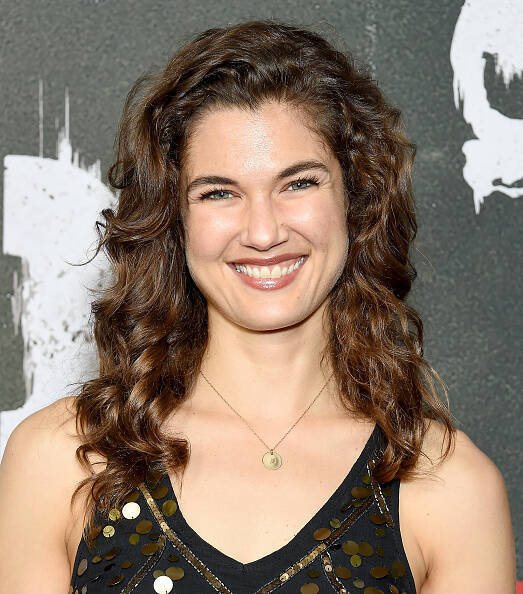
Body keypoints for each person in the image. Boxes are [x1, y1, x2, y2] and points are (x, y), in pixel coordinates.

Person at [0, 18, 515, 594]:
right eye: (219, 193)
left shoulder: (449, 487)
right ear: (174, 219)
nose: (264, 232)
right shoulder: (62, 461)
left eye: (298, 184)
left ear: (356, 198)